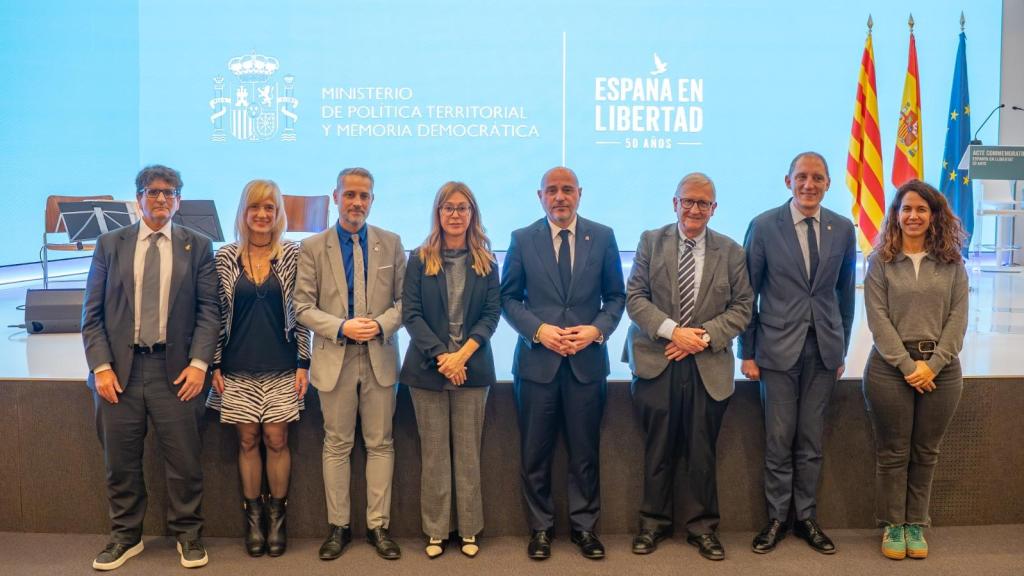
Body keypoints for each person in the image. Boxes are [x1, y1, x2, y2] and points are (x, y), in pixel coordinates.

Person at [81, 165, 219, 570]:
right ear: (139, 197)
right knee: (120, 463)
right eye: (153, 191)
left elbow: (209, 312)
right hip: (118, 373)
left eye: (170, 192)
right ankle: (125, 537)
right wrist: (101, 367)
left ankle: (189, 535)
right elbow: (92, 314)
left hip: (176, 372)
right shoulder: (110, 244)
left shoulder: (199, 246)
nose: (162, 199)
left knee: (185, 461)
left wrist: (199, 365)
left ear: (179, 199)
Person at [623, 172, 752, 562]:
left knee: (701, 450)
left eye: (703, 203)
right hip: (655, 360)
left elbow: (743, 308)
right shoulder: (650, 240)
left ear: (714, 209)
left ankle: (702, 529)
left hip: (706, 364)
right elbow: (635, 298)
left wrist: (701, 338)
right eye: (688, 201)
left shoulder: (731, 252)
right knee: (657, 448)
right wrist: (673, 333)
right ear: (674, 203)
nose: (695, 209)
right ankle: (653, 524)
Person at [500, 166, 625, 561]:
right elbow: (508, 299)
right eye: (551, 190)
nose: (559, 196)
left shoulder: (602, 236)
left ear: (579, 194)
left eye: (566, 189)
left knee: (584, 452)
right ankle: (541, 529)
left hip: (587, 364)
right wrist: (538, 331)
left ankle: (585, 529)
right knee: (535, 453)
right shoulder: (522, 239)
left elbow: (616, 298)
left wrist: (596, 331)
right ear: (540, 196)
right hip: (538, 365)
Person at [738, 152, 856, 555]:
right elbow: (747, 295)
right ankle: (776, 518)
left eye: (817, 178)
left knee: (810, 441)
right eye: (802, 177)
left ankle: (805, 518)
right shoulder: (763, 226)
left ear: (828, 184)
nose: (809, 185)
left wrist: (841, 347)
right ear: (788, 181)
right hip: (774, 351)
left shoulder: (841, 228)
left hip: (823, 349)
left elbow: (845, 293)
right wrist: (747, 352)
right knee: (778, 439)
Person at [294, 167, 406, 561]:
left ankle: (379, 527)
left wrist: (377, 325)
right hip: (334, 358)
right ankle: (338, 528)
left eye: (364, 196)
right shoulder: (312, 247)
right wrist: (342, 326)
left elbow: (404, 304)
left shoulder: (391, 244)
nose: (357, 202)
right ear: (336, 196)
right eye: (350, 195)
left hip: (379, 357)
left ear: (372, 200)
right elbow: (302, 306)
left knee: (380, 444)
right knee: (337, 445)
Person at [863, 179, 968, 561]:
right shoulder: (880, 262)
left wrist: (934, 365)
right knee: (893, 452)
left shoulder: (953, 262)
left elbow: (958, 319)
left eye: (921, 209)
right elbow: (878, 321)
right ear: (896, 214)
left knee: (926, 451)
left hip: (943, 370)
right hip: (890, 370)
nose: (913, 216)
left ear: (933, 215)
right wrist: (909, 367)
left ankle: (916, 524)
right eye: (906, 209)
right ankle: (893, 525)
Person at [205, 179, 311, 557]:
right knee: (248, 441)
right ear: (244, 213)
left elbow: (302, 315)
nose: (262, 215)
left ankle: (277, 518)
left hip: (282, 367)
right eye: (255, 208)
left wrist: (304, 362)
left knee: (276, 441)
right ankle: (254, 519)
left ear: (279, 213)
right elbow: (217, 315)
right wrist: (214, 362)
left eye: (270, 208)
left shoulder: (294, 255)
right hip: (237, 367)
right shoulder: (225, 257)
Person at [400, 181, 500, 558]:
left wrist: (463, 356)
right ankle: (436, 530)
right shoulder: (420, 257)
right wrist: (444, 357)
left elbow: (492, 315)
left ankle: (470, 529)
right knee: (435, 454)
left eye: (462, 208)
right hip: (428, 370)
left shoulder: (486, 260)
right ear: (438, 213)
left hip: (472, 369)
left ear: (472, 213)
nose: (455, 215)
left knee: (468, 453)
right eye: (448, 208)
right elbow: (411, 314)